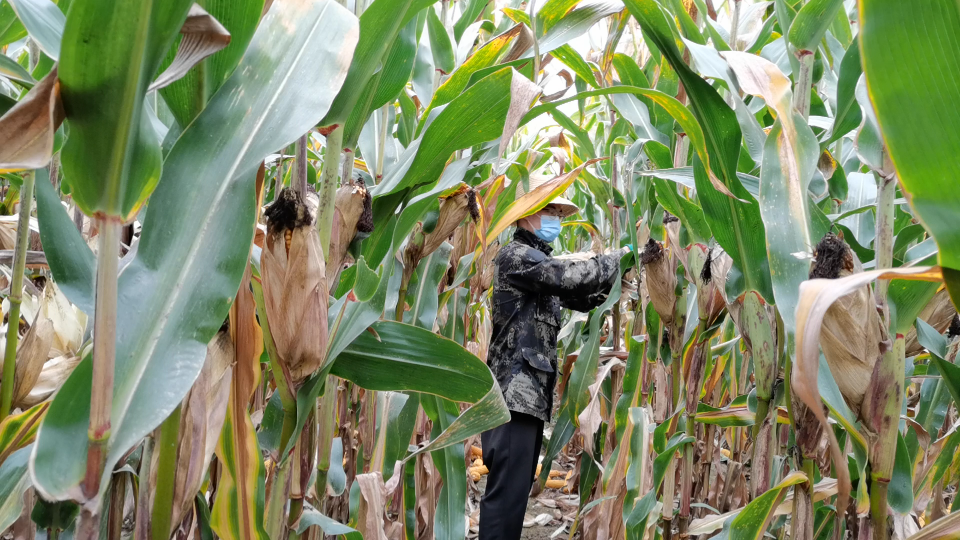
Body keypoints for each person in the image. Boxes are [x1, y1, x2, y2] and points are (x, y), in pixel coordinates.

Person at [479, 177, 632, 540]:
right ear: (526, 213)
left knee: (514, 496)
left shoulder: (538, 266)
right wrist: (617, 258)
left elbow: (583, 297)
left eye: (559, 213)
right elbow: (571, 277)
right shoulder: (517, 256)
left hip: (529, 398)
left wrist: (619, 278)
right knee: (505, 498)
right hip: (512, 397)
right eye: (550, 210)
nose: (556, 220)